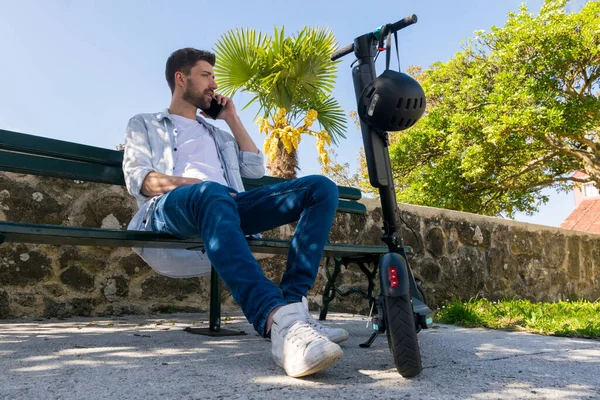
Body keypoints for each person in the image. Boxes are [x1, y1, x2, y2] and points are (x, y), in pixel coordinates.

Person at [122, 48, 349, 378]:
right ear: (180, 79)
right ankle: (277, 322)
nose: (214, 83)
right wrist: (193, 183)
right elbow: (140, 179)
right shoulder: (144, 123)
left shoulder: (219, 134)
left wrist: (231, 118)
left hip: (223, 208)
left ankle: (295, 309)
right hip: (169, 211)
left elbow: (255, 169)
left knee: (320, 188)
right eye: (206, 75)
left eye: (214, 76)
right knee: (210, 192)